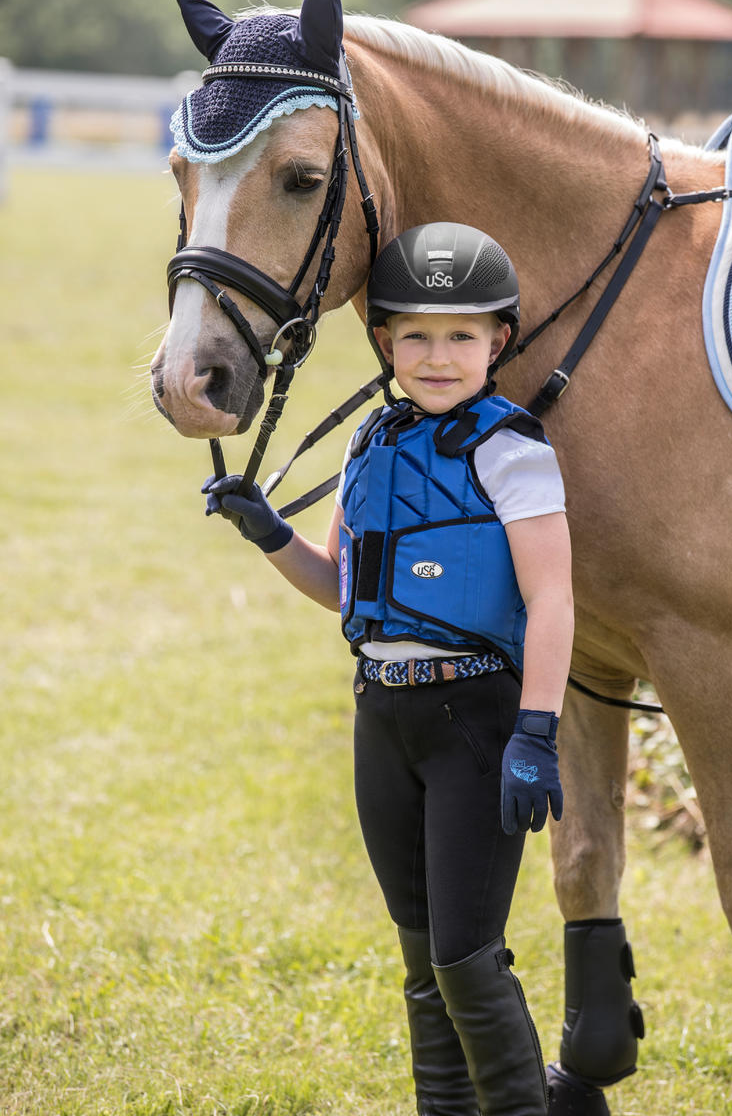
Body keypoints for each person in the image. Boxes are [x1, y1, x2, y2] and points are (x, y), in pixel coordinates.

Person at [203, 222, 574, 1116]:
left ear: (499, 341)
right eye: (415, 334)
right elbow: (341, 588)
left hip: (475, 725)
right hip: (384, 720)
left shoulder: (511, 450)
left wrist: (535, 733)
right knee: (421, 961)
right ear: (384, 343)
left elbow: (554, 599)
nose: (437, 356)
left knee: (465, 958)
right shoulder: (371, 444)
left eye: (461, 336)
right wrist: (267, 535)